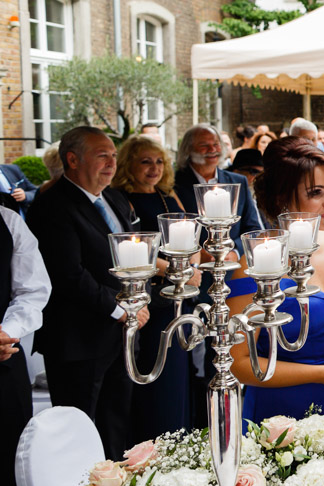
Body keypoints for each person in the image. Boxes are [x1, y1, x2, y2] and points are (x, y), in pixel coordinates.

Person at [228, 138, 324, 425]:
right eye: (316, 193)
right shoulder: (256, 264)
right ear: (282, 197)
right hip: (280, 414)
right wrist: (323, 374)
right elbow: (238, 363)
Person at [27, 127, 146, 459]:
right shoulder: (52, 204)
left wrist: (138, 300)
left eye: (113, 155)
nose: (111, 163)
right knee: (77, 427)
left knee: (116, 422)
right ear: (72, 159)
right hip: (77, 338)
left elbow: (133, 257)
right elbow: (68, 275)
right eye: (102, 155)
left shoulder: (115, 197)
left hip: (119, 333)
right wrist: (122, 309)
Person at [113, 135, 196, 440]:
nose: (154, 168)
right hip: (154, 296)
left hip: (182, 290)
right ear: (128, 164)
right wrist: (177, 271)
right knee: (160, 368)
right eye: (145, 161)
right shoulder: (122, 198)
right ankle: (157, 437)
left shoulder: (168, 195)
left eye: (159, 161)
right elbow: (133, 248)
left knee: (181, 366)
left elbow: (190, 233)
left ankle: (181, 435)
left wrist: (193, 266)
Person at [0, 204, 49, 486]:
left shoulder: (8, 220)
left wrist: (8, 331)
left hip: (3, 356)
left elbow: (33, 288)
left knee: (7, 456)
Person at [173, 124, 264, 256]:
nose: (212, 149)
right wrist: (196, 254)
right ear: (189, 150)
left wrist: (236, 251)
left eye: (216, 144)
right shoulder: (174, 184)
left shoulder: (238, 182)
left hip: (232, 271)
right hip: (193, 269)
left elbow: (253, 228)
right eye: (204, 145)